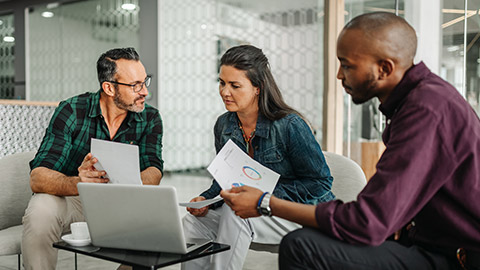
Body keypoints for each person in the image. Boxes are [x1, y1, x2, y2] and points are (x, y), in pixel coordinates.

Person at [221, 12, 480, 270]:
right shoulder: (416, 102)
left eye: (347, 65)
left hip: (456, 256)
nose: (339, 76)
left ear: (385, 68)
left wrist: (265, 203)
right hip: (421, 240)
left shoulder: (426, 111)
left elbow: (367, 222)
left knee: (301, 247)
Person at [182, 45, 335, 270]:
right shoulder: (224, 125)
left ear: (258, 88)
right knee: (193, 222)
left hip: (298, 213)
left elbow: (320, 184)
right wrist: (204, 199)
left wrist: (261, 197)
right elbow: (223, 180)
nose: (225, 91)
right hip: (258, 212)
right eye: (222, 82)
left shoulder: (290, 126)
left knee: (237, 214)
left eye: (235, 85)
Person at [22, 47, 164, 270]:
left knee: (158, 220)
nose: (144, 91)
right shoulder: (71, 110)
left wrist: (127, 185)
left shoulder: (150, 118)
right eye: (135, 85)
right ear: (109, 87)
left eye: (145, 81)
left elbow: (154, 170)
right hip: (75, 199)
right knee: (41, 208)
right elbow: (38, 178)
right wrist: (79, 182)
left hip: (123, 201)